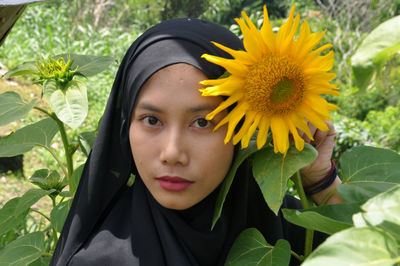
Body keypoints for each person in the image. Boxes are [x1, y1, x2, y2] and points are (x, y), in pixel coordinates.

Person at [50, 17, 343, 266]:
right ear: (125, 127)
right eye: (152, 120)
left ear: (243, 126)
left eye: (202, 122)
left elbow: (379, 249)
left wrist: (320, 181)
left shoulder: (293, 230)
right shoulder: (102, 261)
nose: (172, 153)